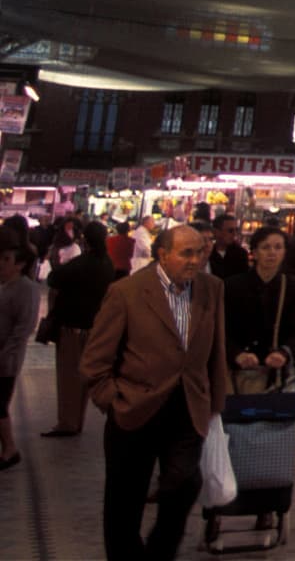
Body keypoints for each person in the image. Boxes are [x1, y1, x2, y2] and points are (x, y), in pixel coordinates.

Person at [80, 226, 229, 561]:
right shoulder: (127, 292)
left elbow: (216, 351)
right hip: (135, 409)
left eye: (200, 252)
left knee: (184, 485)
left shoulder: (212, 289)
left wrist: (216, 403)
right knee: (124, 501)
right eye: (186, 253)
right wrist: (113, 401)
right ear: (162, 254)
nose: (195, 260)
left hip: (189, 407)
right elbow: (94, 361)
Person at [42, 222, 117, 437]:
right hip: (94, 327)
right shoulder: (107, 264)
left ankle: (67, 422)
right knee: (83, 378)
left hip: (72, 326)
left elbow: (53, 278)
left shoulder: (82, 263)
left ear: (85, 239)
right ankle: (77, 420)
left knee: (68, 377)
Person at [225, 226, 295, 393]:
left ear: (285, 252)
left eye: (278, 247)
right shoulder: (232, 286)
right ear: (254, 253)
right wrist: (236, 353)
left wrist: (283, 353)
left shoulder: (294, 287)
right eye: (265, 247)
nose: (272, 253)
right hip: (237, 370)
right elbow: (222, 328)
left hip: (276, 372)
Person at [0, 241, 43, 470]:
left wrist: (6, 358)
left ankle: (10, 449)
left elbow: (22, 328)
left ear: (20, 264)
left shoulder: (26, 289)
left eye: (7, 259)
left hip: (6, 360)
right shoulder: (6, 285)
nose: (2, 264)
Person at [206, 214, 249, 280]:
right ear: (216, 232)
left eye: (236, 230)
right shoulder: (207, 253)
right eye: (230, 231)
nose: (234, 234)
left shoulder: (240, 254)